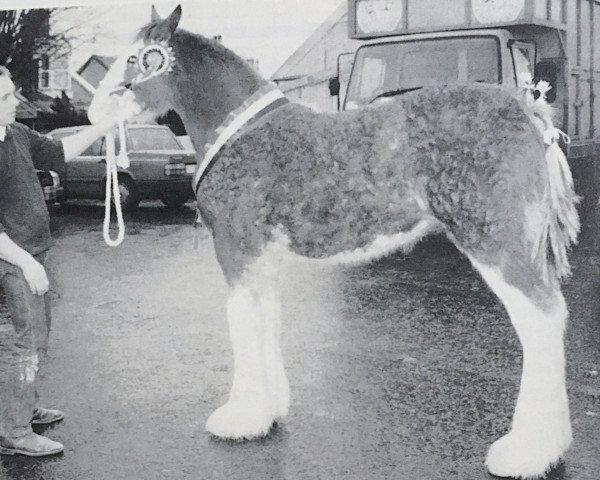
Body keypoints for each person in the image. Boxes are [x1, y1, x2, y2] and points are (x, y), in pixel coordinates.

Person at [0, 66, 140, 456]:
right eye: (6, 97)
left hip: (33, 252)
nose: (16, 101)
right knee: (24, 342)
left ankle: (23, 407)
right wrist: (26, 263)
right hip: (12, 258)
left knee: (37, 336)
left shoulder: (17, 135)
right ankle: (14, 431)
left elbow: (60, 152)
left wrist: (106, 125)